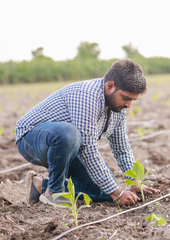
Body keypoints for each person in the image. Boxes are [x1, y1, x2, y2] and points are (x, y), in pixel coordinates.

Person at [15, 59, 159, 208]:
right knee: (68, 133)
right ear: (110, 86)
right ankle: (54, 192)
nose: (128, 105)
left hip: (68, 147)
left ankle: (39, 186)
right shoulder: (87, 96)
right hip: (31, 139)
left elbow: (122, 149)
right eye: (126, 98)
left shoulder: (118, 108)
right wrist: (118, 194)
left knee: (104, 192)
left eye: (132, 101)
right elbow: (88, 150)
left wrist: (134, 181)